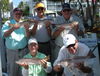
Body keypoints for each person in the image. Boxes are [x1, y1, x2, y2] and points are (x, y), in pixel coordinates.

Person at [1, 8, 30, 76]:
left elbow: (28, 36)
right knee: (12, 71)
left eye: (20, 14)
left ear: (22, 15)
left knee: (23, 72)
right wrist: (13, 28)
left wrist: (27, 29)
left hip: (24, 51)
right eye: (16, 13)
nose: (18, 15)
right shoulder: (8, 23)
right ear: (13, 14)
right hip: (12, 52)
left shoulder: (25, 23)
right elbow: (4, 35)